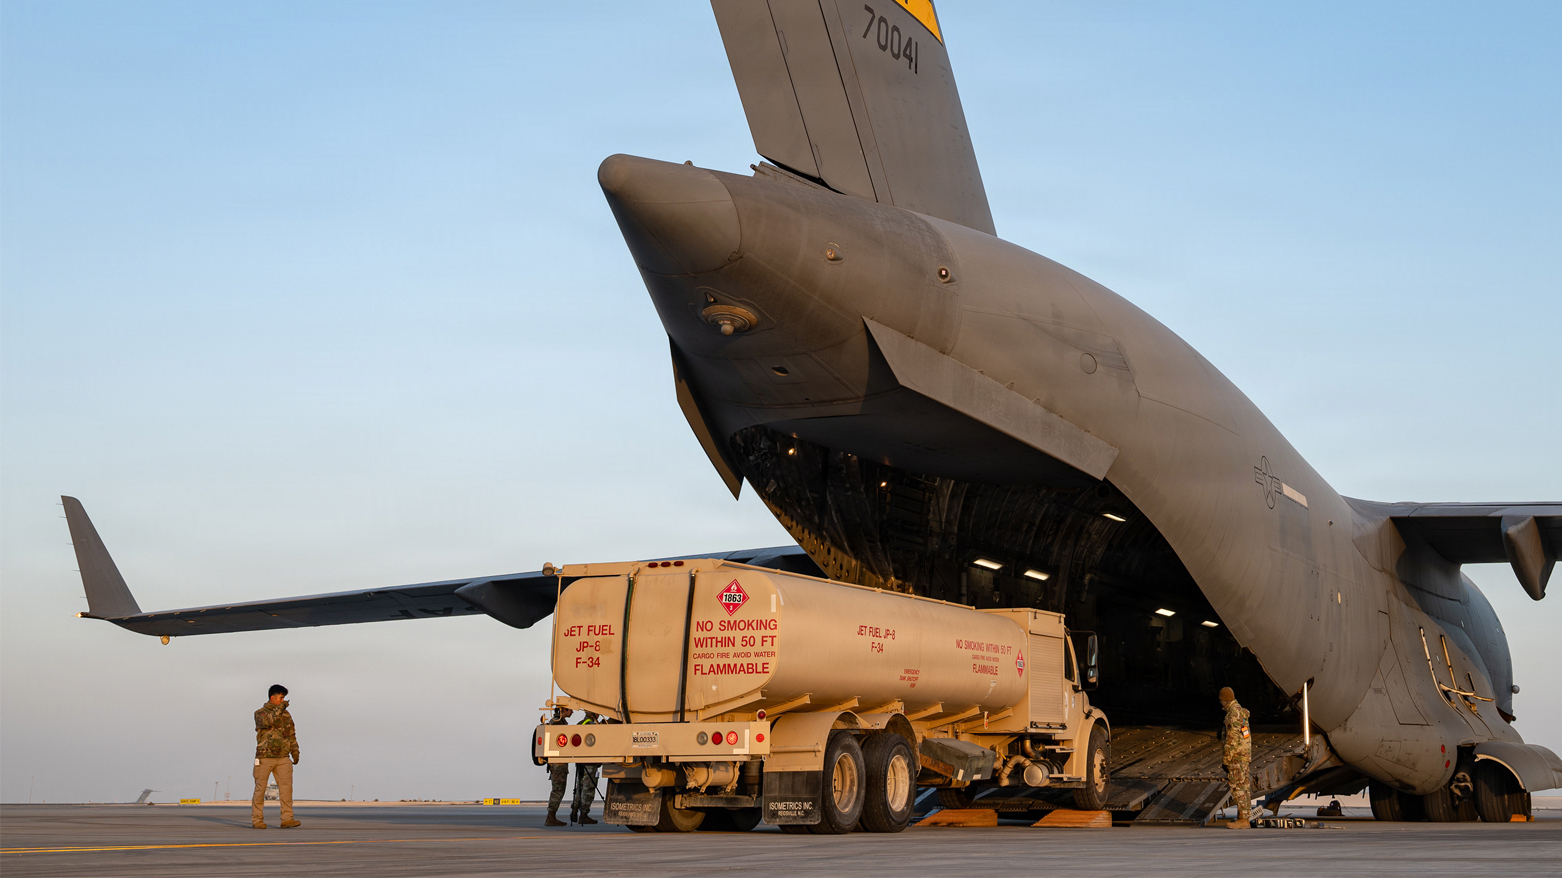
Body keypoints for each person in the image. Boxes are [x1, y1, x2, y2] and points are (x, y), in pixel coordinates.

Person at [253, 684, 301, 829]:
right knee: (260, 789)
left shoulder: (286, 715)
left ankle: (287, 819)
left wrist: (295, 751)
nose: (283, 701)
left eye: (284, 699)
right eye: (281, 698)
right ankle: (257, 820)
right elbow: (269, 721)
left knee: (286, 790)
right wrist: (280, 708)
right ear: (272, 698)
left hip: (283, 757)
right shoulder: (260, 713)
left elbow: (291, 734)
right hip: (265, 757)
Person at [1220, 686, 1252, 829]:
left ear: (1224, 700)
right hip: (1244, 756)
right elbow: (1245, 735)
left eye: (1221, 700)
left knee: (1237, 787)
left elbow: (1232, 739)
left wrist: (1226, 759)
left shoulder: (1232, 715)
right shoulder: (1241, 712)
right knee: (1244, 787)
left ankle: (1243, 820)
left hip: (1236, 757)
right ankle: (1244, 817)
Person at [544, 706, 573, 827]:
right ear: (563, 710)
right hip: (558, 763)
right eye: (570, 710)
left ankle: (551, 816)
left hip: (558, 763)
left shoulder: (558, 722)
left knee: (558, 790)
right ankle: (551, 817)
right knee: (558, 790)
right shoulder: (557, 724)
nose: (572, 712)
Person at [571, 712, 601, 825]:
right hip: (590, 762)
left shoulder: (580, 724)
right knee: (588, 789)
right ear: (594, 714)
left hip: (580, 762)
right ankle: (583, 815)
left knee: (580, 787)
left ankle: (574, 810)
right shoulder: (592, 725)